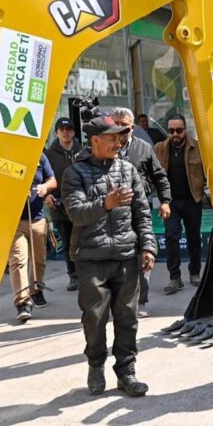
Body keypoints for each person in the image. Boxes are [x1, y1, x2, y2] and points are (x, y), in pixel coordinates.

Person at [62, 115, 156, 397]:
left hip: (126, 256)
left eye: (120, 137)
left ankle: (127, 372)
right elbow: (76, 214)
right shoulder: (74, 173)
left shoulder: (128, 170)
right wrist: (106, 203)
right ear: (95, 141)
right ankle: (95, 365)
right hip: (91, 259)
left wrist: (148, 246)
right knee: (94, 318)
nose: (118, 142)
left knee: (128, 317)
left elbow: (142, 213)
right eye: (112, 138)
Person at [112, 107, 172, 318]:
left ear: (133, 127)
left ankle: (141, 300)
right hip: (111, 210)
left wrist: (165, 201)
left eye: (124, 127)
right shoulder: (103, 146)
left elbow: (159, 176)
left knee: (143, 252)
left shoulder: (144, 148)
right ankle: (118, 301)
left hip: (139, 207)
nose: (119, 131)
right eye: (116, 125)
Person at [154, 115, 205, 293]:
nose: (175, 134)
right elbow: (152, 173)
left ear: (185, 130)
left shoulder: (197, 148)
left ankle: (195, 272)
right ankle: (175, 278)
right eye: (171, 131)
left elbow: (206, 172)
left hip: (192, 199)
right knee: (171, 237)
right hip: (170, 202)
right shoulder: (159, 149)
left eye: (179, 130)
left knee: (194, 237)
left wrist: (206, 193)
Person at [9, 153, 56, 322]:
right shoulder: (7, 156)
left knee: (39, 259)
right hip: (14, 220)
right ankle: (22, 303)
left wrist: (45, 187)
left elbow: (52, 180)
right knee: (18, 260)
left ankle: (36, 289)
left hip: (37, 217)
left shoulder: (40, 156)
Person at [44, 117, 82, 292]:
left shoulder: (83, 151)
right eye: (62, 129)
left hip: (82, 204)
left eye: (69, 129)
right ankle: (73, 276)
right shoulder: (49, 155)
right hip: (60, 207)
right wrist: (48, 196)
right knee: (67, 242)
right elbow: (43, 178)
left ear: (74, 132)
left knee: (84, 240)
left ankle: (86, 274)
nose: (66, 132)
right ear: (57, 132)